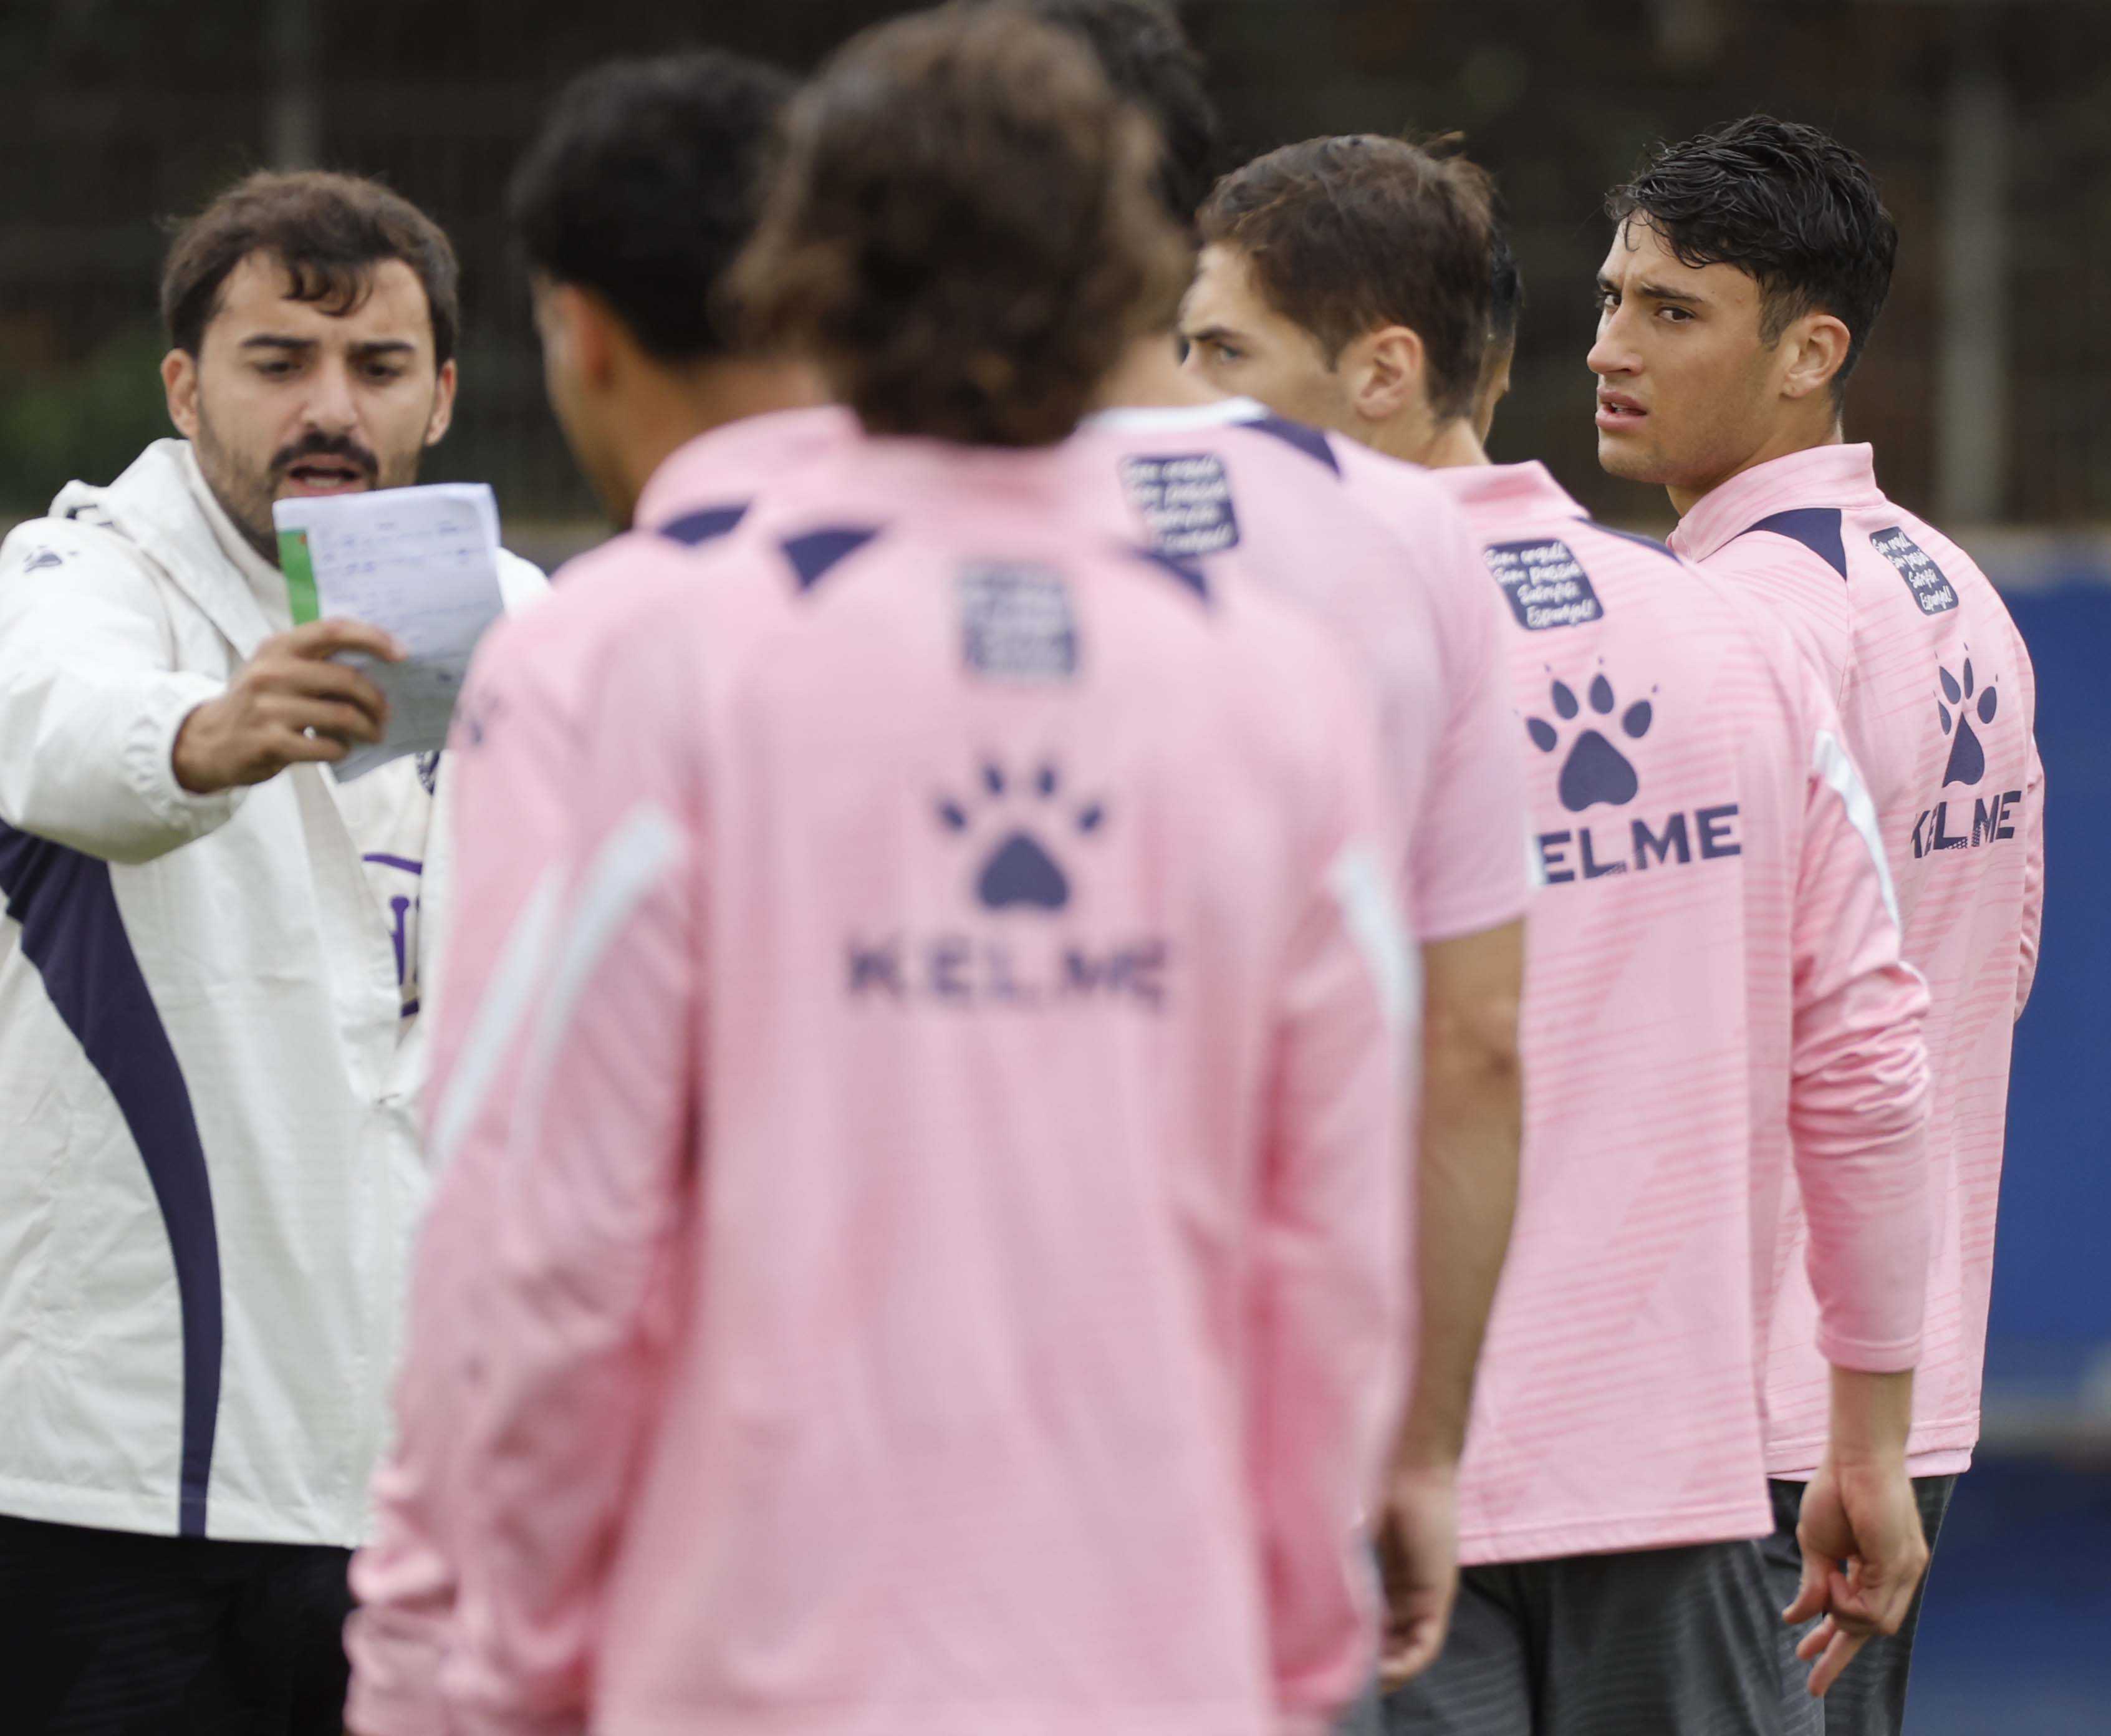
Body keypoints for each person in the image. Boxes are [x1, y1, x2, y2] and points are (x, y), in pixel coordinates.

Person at [408, 11, 1417, 1736]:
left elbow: (563, 1242)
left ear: (800, 285)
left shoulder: (692, 658)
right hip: (1149, 1665)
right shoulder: (1273, 694)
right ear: (1129, 284)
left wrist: (508, 1656)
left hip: (749, 1663)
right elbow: (1329, 1263)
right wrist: (1296, 1645)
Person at [1185, 132, 1939, 1736]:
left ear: (1383, 369)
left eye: (1219, 351)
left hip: (1372, 1489)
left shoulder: (1250, 670)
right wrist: (1869, 1431)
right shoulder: (1728, 639)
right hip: (1679, 1484)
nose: (1184, 404)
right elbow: (1872, 1058)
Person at [1021, 2, 1531, 1682]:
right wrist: (1420, 1451)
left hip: (904, 1452)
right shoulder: (1400, 545)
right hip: (1254, 1435)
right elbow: (1470, 1047)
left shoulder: (753, 566)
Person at [0, 170, 544, 1733]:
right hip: (112, 1481)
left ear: (441, 395)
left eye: (376, 370)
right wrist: (204, 735)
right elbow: (50, 726)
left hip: (407, 1483)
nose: (330, 409)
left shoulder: (517, 613)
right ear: (185, 387)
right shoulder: (82, 570)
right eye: (276, 363)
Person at [339, 53, 843, 1736]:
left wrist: (446, 1646)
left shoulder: (592, 656)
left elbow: (542, 1226)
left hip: (744, 1609)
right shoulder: (1166, 640)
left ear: (579, 333)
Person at [1592, 116, 2044, 1735]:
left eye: (1671, 310)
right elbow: (2001, 968)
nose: (1608, 350)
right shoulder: (1954, 591)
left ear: (1814, 351)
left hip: (1742, 1408)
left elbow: (1691, 1019)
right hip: (1890, 1380)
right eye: (1611, 298)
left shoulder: (1732, 627)